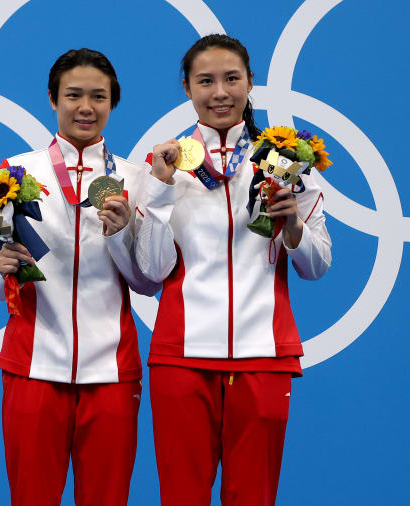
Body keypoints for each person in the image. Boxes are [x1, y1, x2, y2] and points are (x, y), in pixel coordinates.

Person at [134, 34, 332, 506]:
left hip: (264, 356)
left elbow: (317, 265)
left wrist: (292, 226)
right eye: (205, 81)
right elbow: (150, 272)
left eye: (231, 79)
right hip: (181, 356)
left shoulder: (290, 162)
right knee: (181, 496)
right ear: (186, 88)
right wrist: (161, 193)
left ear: (250, 83)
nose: (219, 92)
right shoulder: (162, 166)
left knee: (254, 497)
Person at [0, 48, 158, 506]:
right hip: (33, 366)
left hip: (112, 371)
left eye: (99, 96)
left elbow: (149, 281)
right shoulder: (13, 173)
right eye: (73, 95)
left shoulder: (136, 179)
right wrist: (1, 268)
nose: (86, 107)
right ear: (52, 99)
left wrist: (120, 236)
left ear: (113, 103)